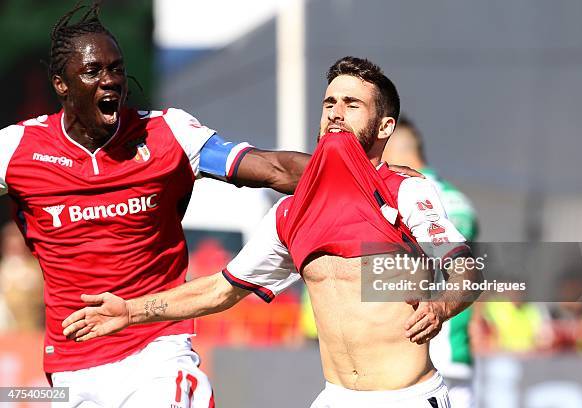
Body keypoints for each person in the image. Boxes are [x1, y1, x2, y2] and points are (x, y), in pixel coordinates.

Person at [63, 56, 481, 408]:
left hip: (406, 398)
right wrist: (132, 311)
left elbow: (468, 271)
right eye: (329, 102)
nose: (335, 112)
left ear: (385, 127)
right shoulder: (290, 213)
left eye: (352, 104)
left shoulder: (405, 191)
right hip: (335, 399)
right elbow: (221, 290)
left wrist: (440, 307)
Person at [0, 3, 313, 407]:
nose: (110, 81)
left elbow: (273, 168)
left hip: (157, 352)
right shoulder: (17, 150)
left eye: (116, 68)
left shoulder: (168, 135)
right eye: (93, 72)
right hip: (72, 366)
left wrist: (371, 179)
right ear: (61, 84)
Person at [382, 116, 479, 407]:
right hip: (438, 351)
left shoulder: (421, 197)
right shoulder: (456, 197)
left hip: (431, 351)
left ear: (396, 150)